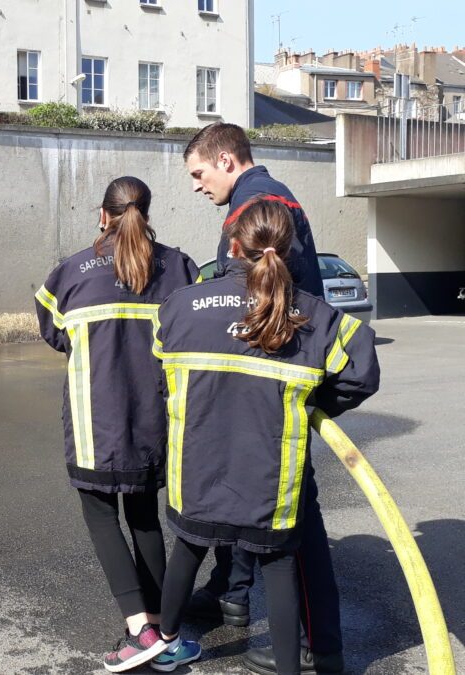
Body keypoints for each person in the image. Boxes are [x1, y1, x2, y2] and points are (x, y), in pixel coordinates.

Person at [149, 199, 380, 675]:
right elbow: (361, 372)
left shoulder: (180, 306)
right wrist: (314, 402)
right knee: (277, 567)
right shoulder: (314, 316)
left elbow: (160, 366)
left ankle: (164, 645)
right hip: (271, 483)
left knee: (188, 548)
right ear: (289, 250)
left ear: (234, 246)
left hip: (198, 472)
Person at [183, 121, 346, 674]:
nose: (197, 186)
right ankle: (230, 589)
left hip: (273, 387)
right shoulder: (270, 197)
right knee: (246, 492)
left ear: (226, 160)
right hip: (277, 381)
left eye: (200, 173)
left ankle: (315, 646)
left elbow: (253, 302)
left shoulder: (251, 209)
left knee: (293, 517)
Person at [35, 176, 202, 673]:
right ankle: (161, 630)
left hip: (95, 420)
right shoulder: (179, 267)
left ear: (102, 214)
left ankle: (139, 629)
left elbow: (54, 332)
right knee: (144, 516)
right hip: (155, 419)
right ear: (146, 213)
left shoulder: (70, 272)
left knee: (101, 516)